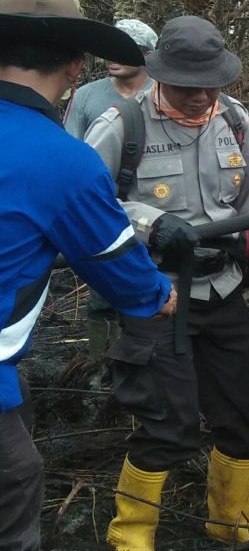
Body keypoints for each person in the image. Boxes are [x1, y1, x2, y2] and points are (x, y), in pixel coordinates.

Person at [0, 0, 176, 551]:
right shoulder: (62, 162)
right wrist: (160, 292)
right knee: (17, 482)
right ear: (76, 68)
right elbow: (125, 277)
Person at [84, 15, 249, 551]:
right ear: (161, 75)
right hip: (155, 295)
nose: (201, 98)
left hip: (223, 291)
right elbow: (86, 202)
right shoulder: (122, 123)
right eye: (189, 88)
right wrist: (149, 224)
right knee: (166, 422)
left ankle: (231, 527)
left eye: (210, 86)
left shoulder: (235, 119)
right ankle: (131, 537)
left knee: (244, 414)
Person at [62, 18, 159, 364]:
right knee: (103, 288)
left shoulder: (163, 93)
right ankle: (99, 363)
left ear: (146, 54)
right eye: (108, 51)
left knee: (155, 284)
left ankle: (147, 358)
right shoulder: (87, 96)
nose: (111, 58)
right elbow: (70, 150)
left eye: (123, 50)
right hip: (103, 206)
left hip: (156, 206)